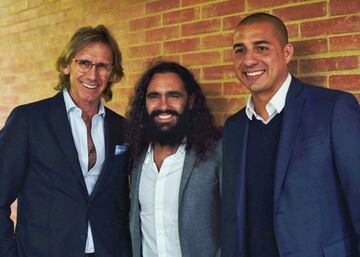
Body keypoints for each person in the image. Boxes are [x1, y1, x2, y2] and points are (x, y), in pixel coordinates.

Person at [221, 12, 360, 257]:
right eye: (240, 50)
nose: (249, 60)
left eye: (261, 48)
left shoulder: (333, 109)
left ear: (287, 53)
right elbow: (235, 216)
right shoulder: (234, 126)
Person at [0, 25, 131, 257]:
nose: (93, 75)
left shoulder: (121, 128)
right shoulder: (29, 120)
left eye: (102, 66)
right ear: (66, 65)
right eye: (84, 63)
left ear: (112, 74)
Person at [126, 61, 221, 257]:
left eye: (173, 96)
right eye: (154, 97)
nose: (163, 106)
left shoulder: (215, 154)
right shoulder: (136, 160)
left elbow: (234, 225)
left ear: (191, 101)